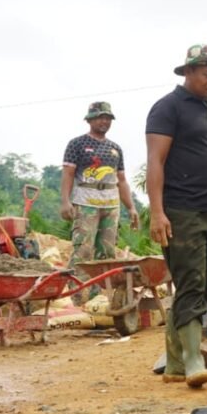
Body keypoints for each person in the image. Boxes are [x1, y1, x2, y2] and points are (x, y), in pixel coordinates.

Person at [146, 44, 207, 387]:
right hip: (180, 208)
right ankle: (192, 359)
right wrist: (157, 212)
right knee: (189, 283)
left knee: (203, 289)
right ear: (187, 72)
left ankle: (174, 362)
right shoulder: (167, 108)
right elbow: (155, 162)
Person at [60, 102, 139, 287]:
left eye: (108, 118)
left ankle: (101, 295)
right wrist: (65, 201)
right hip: (85, 202)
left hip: (110, 204)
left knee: (107, 252)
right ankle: (76, 294)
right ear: (90, 120)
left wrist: (131, 207)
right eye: (100, 117)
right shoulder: (77, 144)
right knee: (83, 251)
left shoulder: (115, 148)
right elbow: (68, 174)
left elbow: (122, 180)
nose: (104, 121)